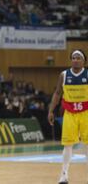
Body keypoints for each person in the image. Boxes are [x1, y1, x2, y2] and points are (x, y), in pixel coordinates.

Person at [48, 49, 88, 184]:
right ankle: (64, 175)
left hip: (86, 113)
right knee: (67, 144)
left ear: (84, 61)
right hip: (70, 113)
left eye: (78, 58)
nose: (75, 60)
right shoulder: (64, 75)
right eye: (73, 58)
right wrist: (51, 110)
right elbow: (57, 93)